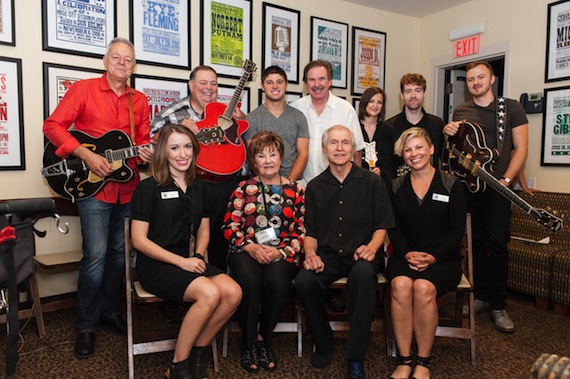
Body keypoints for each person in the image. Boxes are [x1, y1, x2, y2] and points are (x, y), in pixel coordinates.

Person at [43, 37, 153, 360]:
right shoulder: (83, 90)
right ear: (106, 62)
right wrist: (85, 156)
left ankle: (108, 311)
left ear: (133, 67)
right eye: (116, 57)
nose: (122, 63)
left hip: (127, 188)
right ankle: (86, 325)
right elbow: (53, 126)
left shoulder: (141, 101)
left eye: (128, 59)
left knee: (119, 255)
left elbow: (143, 146)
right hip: (93, 189)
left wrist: (146, 153)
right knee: (95, 256)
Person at [130, 124, 242, 379]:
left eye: (188, 146)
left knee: (233, 292)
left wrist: (199, 255)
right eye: (175, 147)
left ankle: (198, 352)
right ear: (163, 153)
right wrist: (182, 263)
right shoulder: (148, 188)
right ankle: (178, 366)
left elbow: (204, 230)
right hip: (157, 265)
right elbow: (138, 240)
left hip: (189, 261)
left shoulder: (198, 186)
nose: (183, 154)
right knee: (210, 294)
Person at [294, 125, 395, 379]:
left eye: (345, 143)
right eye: (334, 143)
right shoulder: (315, 187)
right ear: (324, 149)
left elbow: (382, 224)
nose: (339, 148)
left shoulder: (372, 182)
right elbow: (311, 232)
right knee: (305, 281)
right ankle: (324, 341)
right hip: (328, 254)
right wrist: (310, 255)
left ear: (353, 148)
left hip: (362, 253)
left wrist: (372, 248)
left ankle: (355, 356)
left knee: (362, 276)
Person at [443, 60, 528, 333]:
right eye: (470, 79)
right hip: (469, 188)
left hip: (498, 189)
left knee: (497, 245)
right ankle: (479, 296)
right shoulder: (461, 110)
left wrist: (505, 181)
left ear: (492, 79)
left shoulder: (511, 108)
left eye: (480, 77)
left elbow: (521, 149)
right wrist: (448, 133)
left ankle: (498, 304)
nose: (475, 82)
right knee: (474, 244)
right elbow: (457, 151)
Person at [222, 131, 306, 373]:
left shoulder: (296, 191)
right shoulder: (243, 188)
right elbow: (229, 226)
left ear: (281, 157)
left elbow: (302, 230)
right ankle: (248, 343)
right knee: (250, 281)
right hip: (245, 250)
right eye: (261, 155)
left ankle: (263, 339)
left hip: (282, 253)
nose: (268, 160)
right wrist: (250, 247)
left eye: (273, 154)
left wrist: (279, 252)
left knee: (278, 282)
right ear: (253, 161)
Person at [386, 127, 466, 379]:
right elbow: (393, 228)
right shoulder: (396, 186)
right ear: (403, 155)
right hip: (405, 255)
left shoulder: (452, 184)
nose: (414, 153)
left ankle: (423, 360)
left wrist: (433, 257)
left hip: (443, 258)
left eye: (419, 147)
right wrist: (407, 253)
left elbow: (456, 231)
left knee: (423, 288)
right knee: (399, 286)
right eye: (408, 150)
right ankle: (404, 358)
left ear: (431, 149)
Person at [150, 65, 246, 272]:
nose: (209, 88)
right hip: (192, 183)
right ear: (191, 86)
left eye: (213, 83)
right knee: (188, 235)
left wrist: (242, 119)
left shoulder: (224, 111)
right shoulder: (176, 111)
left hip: (225, 183)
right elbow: (152, 138)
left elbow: (242, 136)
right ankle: (186, 286)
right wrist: (175, 129)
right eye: (203, 83)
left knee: (223, 237)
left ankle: (221, 283)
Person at [290, 60, 365, 185]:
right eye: (312, 79)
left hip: (338, 185)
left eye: (322, 79)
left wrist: (354, 184)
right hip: (303, 185)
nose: (317, 84)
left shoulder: (345, 109)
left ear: (330, 82)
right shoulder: (296, 109)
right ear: (306, 83)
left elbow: (357, 151)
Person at [244, 66, 309, 182]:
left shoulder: (299, 116)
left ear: (286, 85)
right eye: (269, 82)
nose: (275, 86)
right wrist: (268, 183)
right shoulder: (252, 119)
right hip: (263, 183)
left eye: (279, 82)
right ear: (262, 86)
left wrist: (289, 183)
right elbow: (252, 157)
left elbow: (303, 154)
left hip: (294, 181)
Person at [379, 73, 444, 184]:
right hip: (400, 190)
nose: (413, 95)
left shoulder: (437, 124)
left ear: (424, 94)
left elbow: (441, 159)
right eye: (408, 91)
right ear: (402, 95)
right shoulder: (388, 127)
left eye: (418, 90)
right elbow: (385, 165)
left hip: (431, 186)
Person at [358, 86, 386, 175]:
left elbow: (390, 162)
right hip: (357, 183)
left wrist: (382, 171)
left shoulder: (387, 130)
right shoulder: (354, 128)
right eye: (371, 101)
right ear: (364, 102)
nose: (375, 105)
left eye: (379, 102)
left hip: (381, 184)